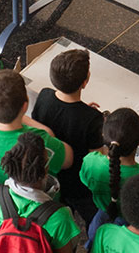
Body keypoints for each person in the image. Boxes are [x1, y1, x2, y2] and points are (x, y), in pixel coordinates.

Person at [32, 47, 103, 227]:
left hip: (53, 174)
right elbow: (96, 158)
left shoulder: (44, 96)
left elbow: (56, 117)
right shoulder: (92, 118)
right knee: (93, 218)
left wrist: (83, 110)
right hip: (80, 185)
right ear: (85, 81)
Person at [0, 69, 72, 190]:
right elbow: (68, 159)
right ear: (25, 106)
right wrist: (46, 130)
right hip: (35, 203)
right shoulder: (38, 141)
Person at [80, 108, 139, 226]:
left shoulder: (90, 161)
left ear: (104, 136)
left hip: (101, 220)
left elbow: (86, 181)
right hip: (134, 225)